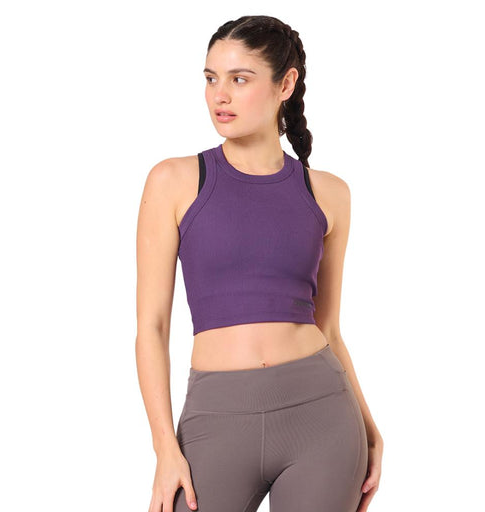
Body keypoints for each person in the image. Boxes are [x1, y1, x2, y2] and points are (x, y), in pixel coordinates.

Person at [135, 14, 383, 512]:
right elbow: (152, 327)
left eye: (239, 79)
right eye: (211, 78)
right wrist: (165, 449)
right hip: (215, 418)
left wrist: (370, 428)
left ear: (285, 84)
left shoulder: (328, 193)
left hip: (322, 419)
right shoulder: (174, 181)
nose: (219, 95)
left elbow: (328, 327)